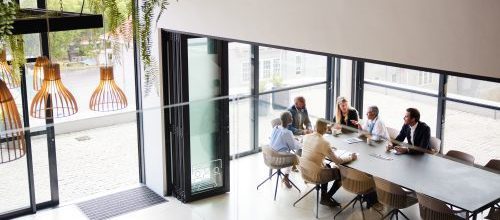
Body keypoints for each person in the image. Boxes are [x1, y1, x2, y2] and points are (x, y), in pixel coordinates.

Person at [302, 119, 357, 207]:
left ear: (315, 127)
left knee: (326, 166)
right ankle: (327, 197)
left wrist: (329, 150)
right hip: (316, 174)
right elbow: (338, 161)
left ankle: (324, 196)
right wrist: (351, 157)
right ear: (326, 129)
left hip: (304, 171)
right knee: (342, 173)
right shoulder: (324, 143)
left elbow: (314, 150)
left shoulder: (306, 136)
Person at [270, 111, 302, 188]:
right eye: (291, 117)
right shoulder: (287, 132)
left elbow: (280, 139)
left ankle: (288, 173)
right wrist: (301, 142)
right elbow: (294, 147)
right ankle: (286, 177)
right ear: (288, 120)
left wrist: (293, 139)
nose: (292, 118)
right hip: (279, 158)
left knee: (290, 152)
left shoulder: (275, 128)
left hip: (270, 155)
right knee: (297, 153)